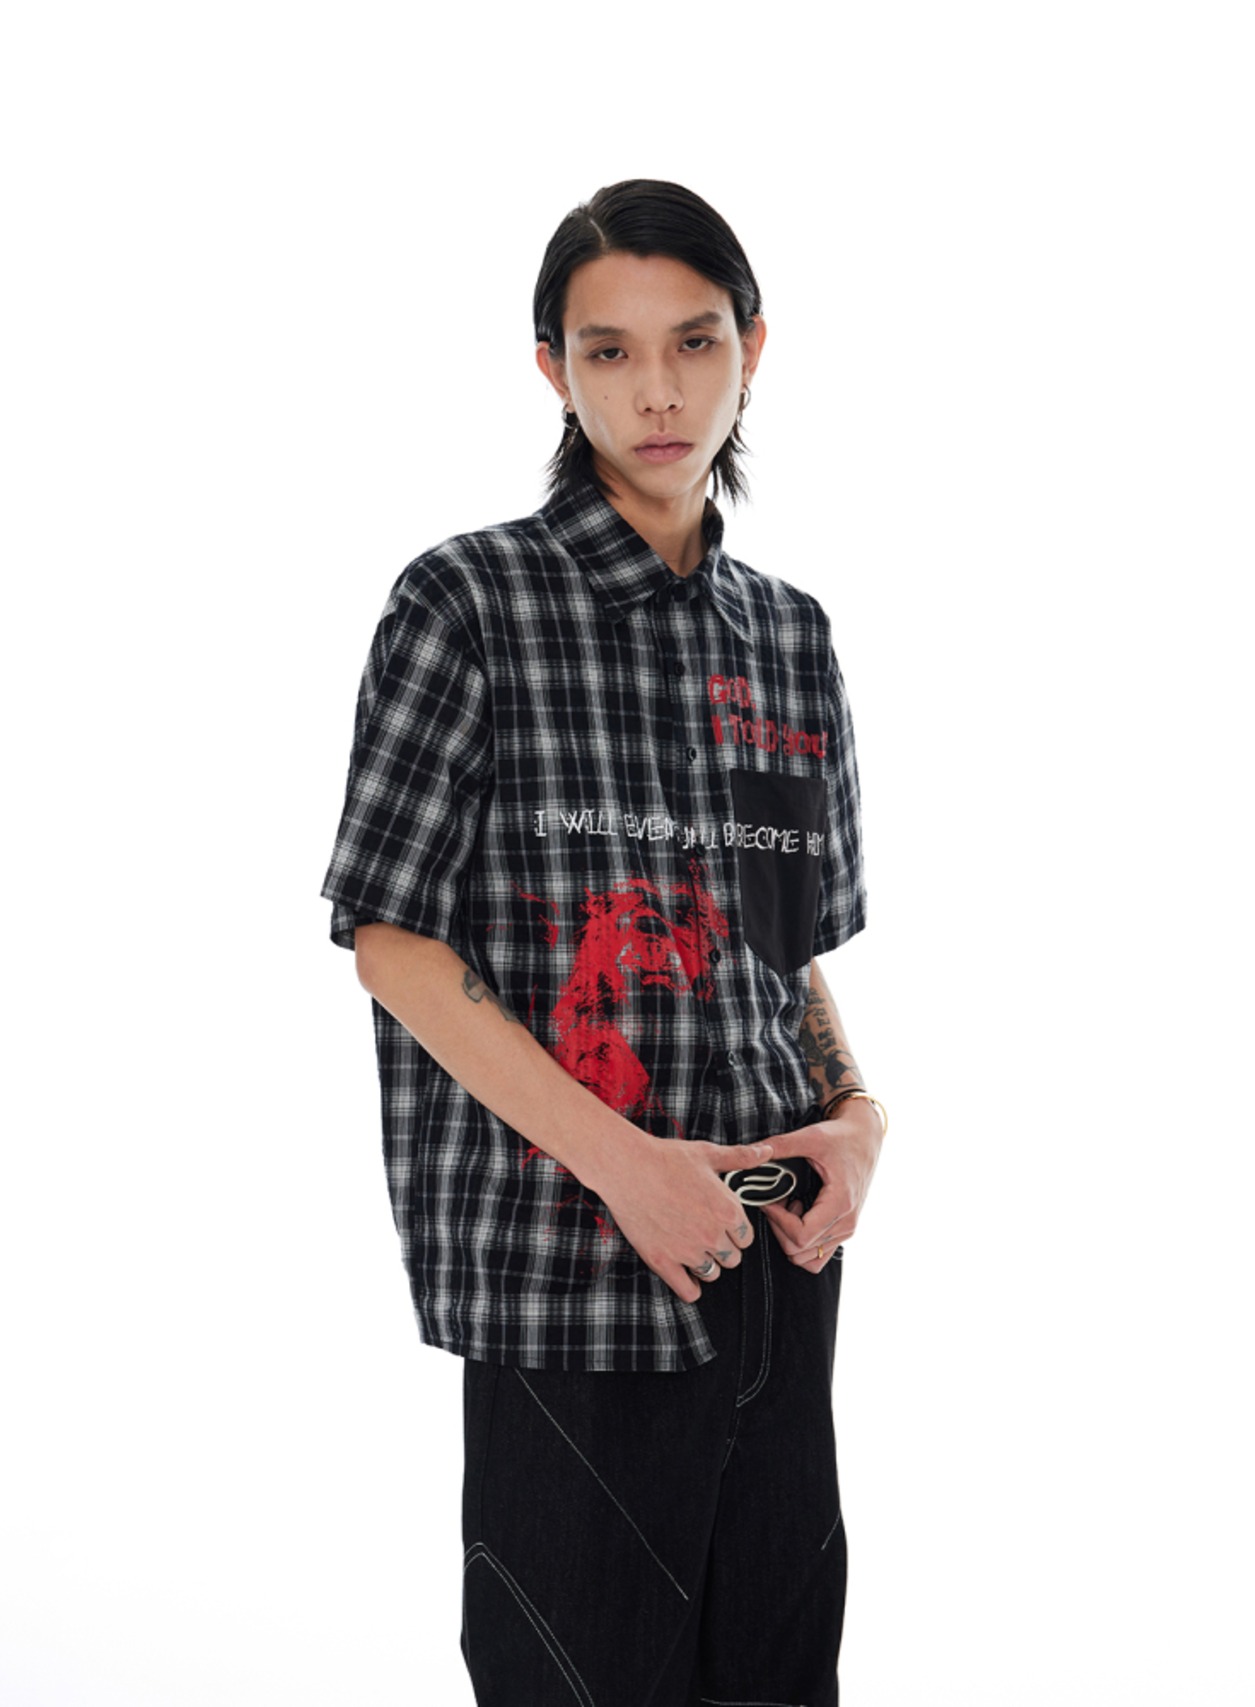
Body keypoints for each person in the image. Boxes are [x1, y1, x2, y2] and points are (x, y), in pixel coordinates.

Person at [321, 179, 885, 1707]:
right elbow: (396, 944)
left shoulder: (793, 639)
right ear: (552, 370)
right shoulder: (467, 604)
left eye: (694, 343)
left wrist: (858, 1115)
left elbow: (783, 945)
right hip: (570, 1279)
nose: (657, 392)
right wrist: (627, 1167)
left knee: (779, 1678)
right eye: (609, 350)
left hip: (778, 1264)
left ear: (751, 349)